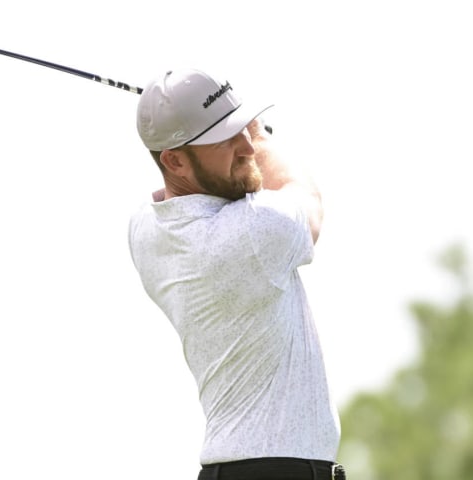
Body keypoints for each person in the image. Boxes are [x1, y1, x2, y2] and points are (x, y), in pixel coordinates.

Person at [127, 68, 346, 480]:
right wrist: (261, 133)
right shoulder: (254, 232)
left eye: (242, 131)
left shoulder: (144, 232)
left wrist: (210, 130)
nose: (246, 146)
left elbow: (165, 196)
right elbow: (307, 197)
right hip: (278, 470)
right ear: (174, 159)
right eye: (224, 138)